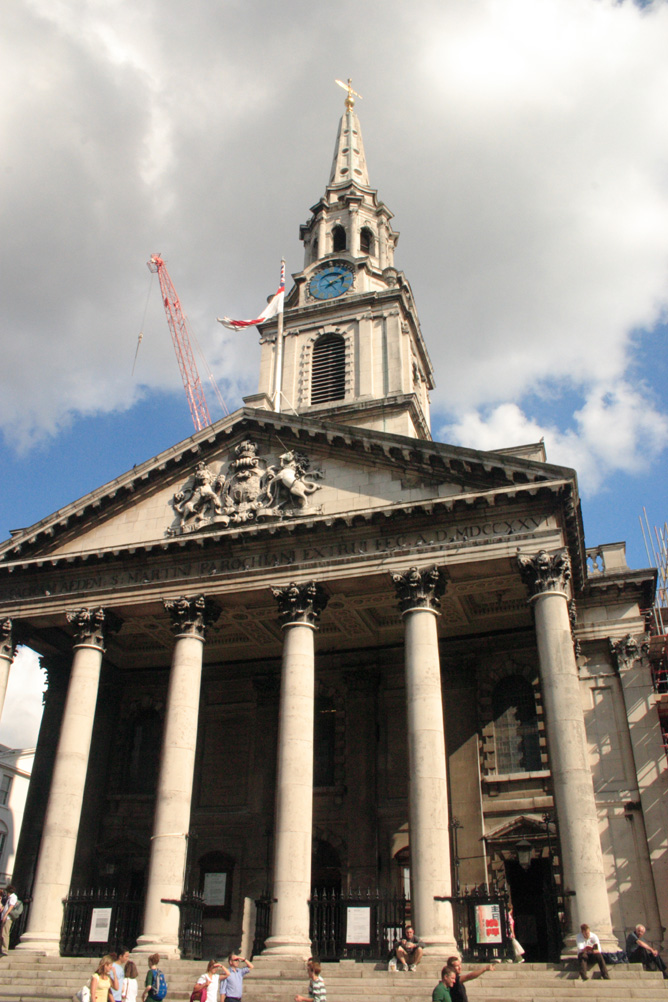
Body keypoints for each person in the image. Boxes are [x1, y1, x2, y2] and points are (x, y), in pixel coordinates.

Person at [0, 884, 18, 956]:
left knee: (5, 934)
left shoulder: (13, 897)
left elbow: (11, 906)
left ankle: (4, 950)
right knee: (2, 933)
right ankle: (1, 949)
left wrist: (5, 915)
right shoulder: (9, 897)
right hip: (4, 917)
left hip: (7, 918)